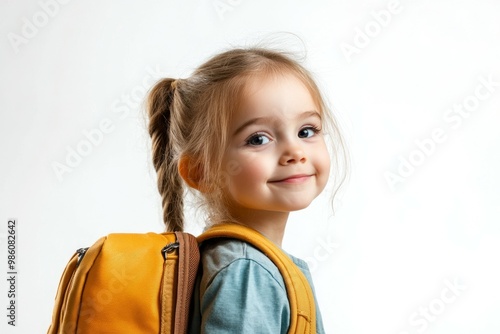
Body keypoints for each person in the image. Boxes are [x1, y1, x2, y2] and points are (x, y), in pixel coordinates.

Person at [146, 47, 348, 333]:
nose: (295, 151)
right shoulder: (247, 270)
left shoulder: (242, 262)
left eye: (306, 131)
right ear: (201, 172)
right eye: (258, 139)